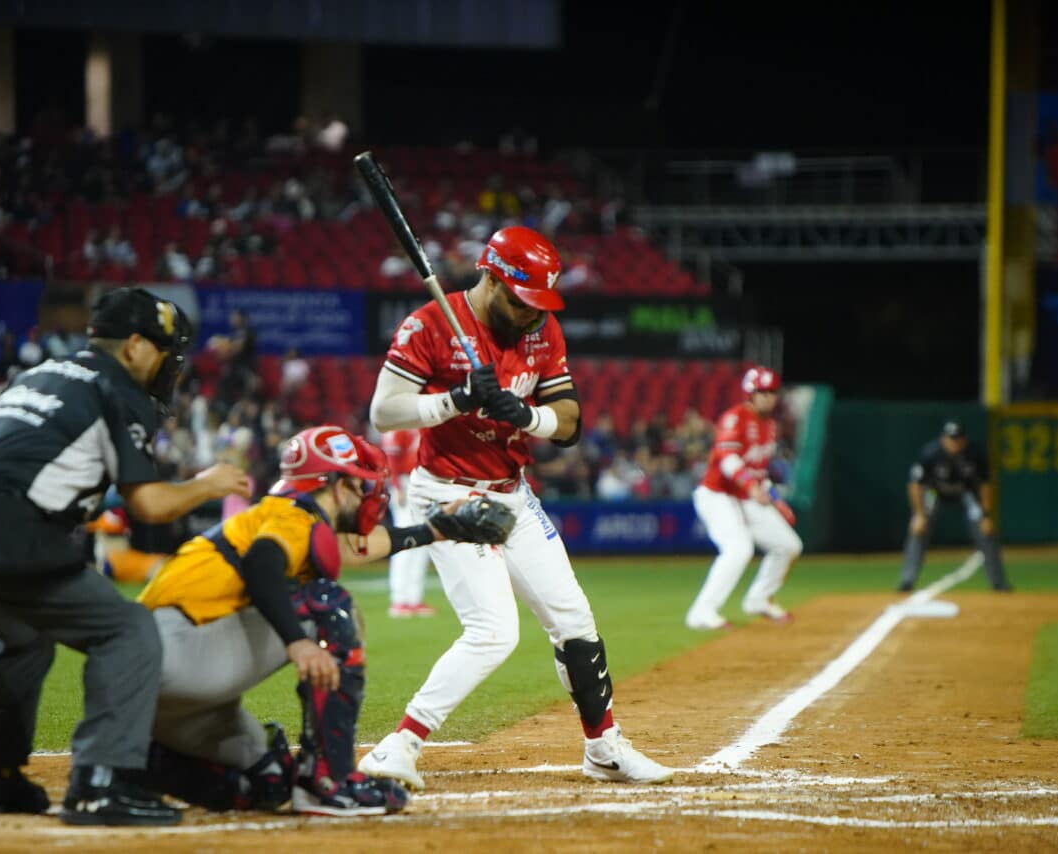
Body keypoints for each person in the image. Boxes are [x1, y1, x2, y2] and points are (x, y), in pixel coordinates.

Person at [0, 288, 252, 827]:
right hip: (2, 526)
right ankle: (101, 781)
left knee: (23, 636)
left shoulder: (42, 374)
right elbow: (149, 503)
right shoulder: (116, 387)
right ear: (136, 346)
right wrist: (207, 484)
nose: (171, 367)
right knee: (127, 631)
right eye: (167, 353)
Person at [357, 225, 673, 791]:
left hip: (512, 489)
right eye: (522, 302)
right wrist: (456, 400)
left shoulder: (541, 329)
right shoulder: (429, 324)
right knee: (493, 632)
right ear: (492, 278)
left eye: (539, 307)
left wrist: (525, 417)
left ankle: (603, 748)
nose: (533, 316)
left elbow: (570, 421)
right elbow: (386, 411)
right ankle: (397, 747)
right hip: (450, 493)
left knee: (573, 618)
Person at [135, 425, 514, 816]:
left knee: (269, 781)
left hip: (150, 682)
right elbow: (262, 564)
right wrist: (297, 641)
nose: (366, 494)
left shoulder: (280, 515)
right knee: (327, 606)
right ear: (332, 484)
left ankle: (132, 768)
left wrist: (434, 530)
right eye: (356, 484)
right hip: (176, 650)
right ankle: (328, 783)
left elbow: (349, 548)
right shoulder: (292, 514)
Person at [684, 366, 802, 631]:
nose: (768, 397)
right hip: (716, 494)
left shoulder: (771, 426)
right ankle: (701, 612)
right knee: (738, 549)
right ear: (750, 393)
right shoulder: (734, 418)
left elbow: (760, 472)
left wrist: (774, 498)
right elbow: (727, 459)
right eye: (762, 392)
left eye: (772, 392)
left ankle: (759, 599)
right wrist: (751, 487)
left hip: (745, 496)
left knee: (789, 545)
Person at [897, 421, 1012, 592]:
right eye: (951, 439)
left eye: (958, 439)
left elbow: (986, 485)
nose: (954, 443)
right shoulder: (931, 453)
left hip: (966, 494)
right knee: (918, 529)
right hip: (935, 493)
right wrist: (919, 514)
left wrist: (986, 516)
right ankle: (907, 580)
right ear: (943, 439)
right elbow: (915, 485)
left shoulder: (975, 454)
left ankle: (999, 583)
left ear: (964, 440)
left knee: (986, 531)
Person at [380, 428, 436, 617]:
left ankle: (413, 598)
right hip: (405, 483)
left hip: (421, 480)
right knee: (404, 540)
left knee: (423, 541)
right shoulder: (398, 427)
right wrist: (397, 486)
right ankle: (399, 599)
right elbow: (392, 460)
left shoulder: (417, 423)